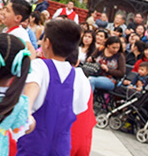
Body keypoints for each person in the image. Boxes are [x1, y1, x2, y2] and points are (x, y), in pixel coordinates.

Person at [16, 19, 92, 155]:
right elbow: (79, 108)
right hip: (61, 147)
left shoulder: (39, 67)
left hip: (33, 144)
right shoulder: (81, 78)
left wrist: (27, 110)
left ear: (47, 43)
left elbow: (31, 89)